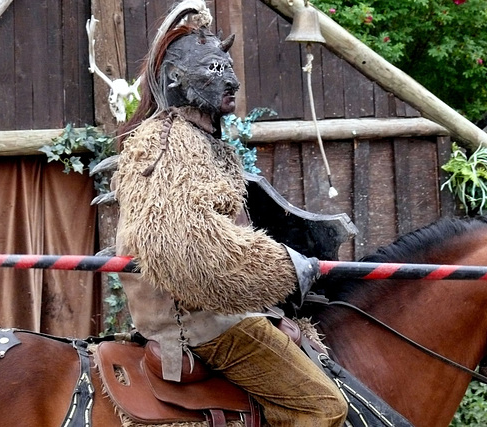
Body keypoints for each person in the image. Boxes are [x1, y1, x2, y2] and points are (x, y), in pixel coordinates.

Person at [112, 1, 347, 426]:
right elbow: (192, 254)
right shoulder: (166, 144)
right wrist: (287, 268)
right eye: (214, 70)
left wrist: (276, 298)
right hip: (201, 323)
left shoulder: (205, 143)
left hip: (225, 310)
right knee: (323, 407)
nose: (233, 79)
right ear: (176, 79)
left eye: (228, 66)